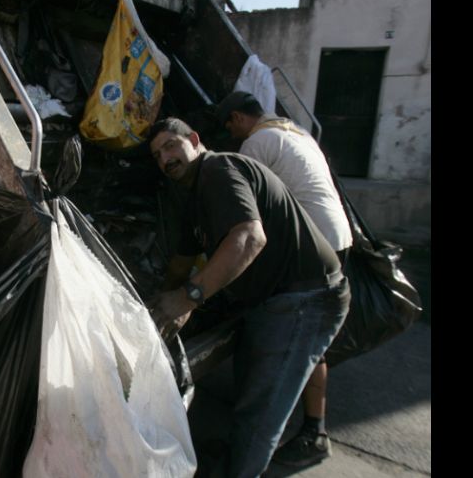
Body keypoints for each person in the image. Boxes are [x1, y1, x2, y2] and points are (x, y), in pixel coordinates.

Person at [147, 117, 350, 478]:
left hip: (306, 298)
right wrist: (151, 308)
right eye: (158, 155)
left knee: (261, 408)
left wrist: (189, 298)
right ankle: (234, 460)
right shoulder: (193, 196)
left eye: (171, 145)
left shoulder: (219, 169)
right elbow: (180, 263)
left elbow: (249, 237)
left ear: (194, 140)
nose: (165, 159)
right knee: (251, 388)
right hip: (272, 298)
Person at [215, 91, 353, 467]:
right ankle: (314, 428)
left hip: (310, 245)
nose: (233, 135)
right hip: (337, 238)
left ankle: (261, 438)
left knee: (281, 339)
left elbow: (244, 210)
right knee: (312, 346)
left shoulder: (257, 141)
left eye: (230, 126)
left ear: (239, 119)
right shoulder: (297, 132)